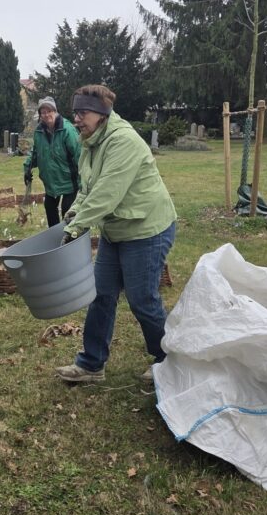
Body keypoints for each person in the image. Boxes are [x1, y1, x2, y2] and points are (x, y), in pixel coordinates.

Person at [55, 84, 177, 385]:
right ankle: (91, 365)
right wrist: (73, 214)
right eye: (75, 113)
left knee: (142, 299)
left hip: (146, 229)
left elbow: (106, 195)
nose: (76, 119)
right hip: (116, 229)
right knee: (100, 294)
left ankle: (169, 361)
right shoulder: (91, 142)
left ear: (101, 114)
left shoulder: (123, 141)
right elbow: (88, 189)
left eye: (82, 113)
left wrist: (77, 227)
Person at [23, 96, 81, 226]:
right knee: (49, 207)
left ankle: (69, 236)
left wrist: (84, 179)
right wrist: (27, 168)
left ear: (55, 111)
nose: (46, 115)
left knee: (67, 211)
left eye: (49, 111)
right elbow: (35, 152)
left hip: (69, 181)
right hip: (50, 182)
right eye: (43, 112)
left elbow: (79, 154)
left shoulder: (67, 130)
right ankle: (54, 235)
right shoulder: (39, 131)